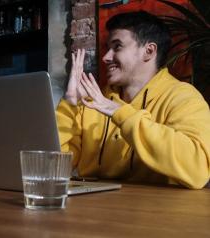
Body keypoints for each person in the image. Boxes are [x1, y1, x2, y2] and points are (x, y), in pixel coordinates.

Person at [56, 11, 210, 189]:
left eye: (117, 46)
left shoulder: (183, 98)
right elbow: (55, 167)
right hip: (92, 209)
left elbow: (197, 170)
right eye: (107, 48)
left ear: (149, 51)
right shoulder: (91, 101)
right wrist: (69, 104)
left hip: (157, 212)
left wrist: (120, 113)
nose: (106, 57)